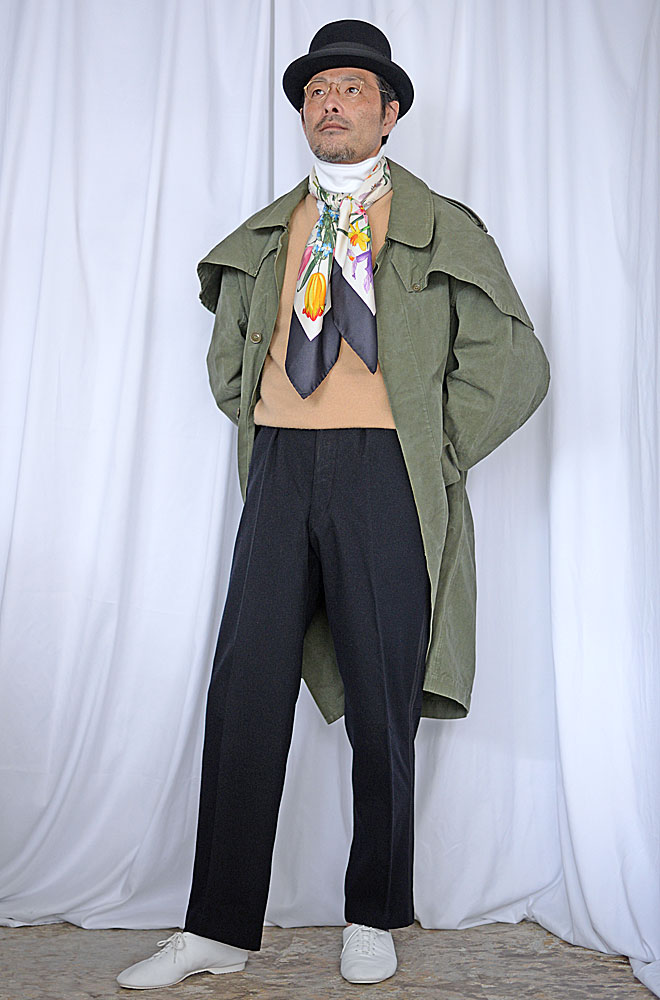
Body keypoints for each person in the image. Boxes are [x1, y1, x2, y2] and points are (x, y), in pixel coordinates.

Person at [117, 18, 550, 990]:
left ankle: (373, 912)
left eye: (350, 89)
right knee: (244, 693)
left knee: (383, 698)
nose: (329, 104)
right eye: (315, 92)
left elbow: (513, 361)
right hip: (280, 464)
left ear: (388, 113)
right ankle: (217, 928)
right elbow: (230, 356)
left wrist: (431, 447)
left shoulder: (441, 225)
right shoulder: (271, 230)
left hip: (383, 471)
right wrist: (262, 411)